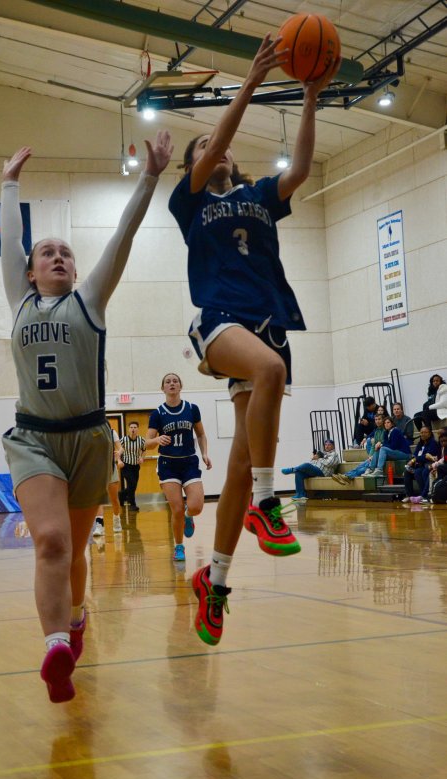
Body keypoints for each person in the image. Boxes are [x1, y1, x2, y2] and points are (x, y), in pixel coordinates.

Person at [168, 32, 338, 645]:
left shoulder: (260, 196)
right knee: (269, 373)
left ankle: (213, 586)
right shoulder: (188, 205)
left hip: (267, 323)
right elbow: (214, 142)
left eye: (225, 152)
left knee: (240, 461)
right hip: (218, 320)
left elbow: (300, 169)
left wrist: (311, 96)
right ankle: (269, 506)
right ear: (199, 162)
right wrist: (253, 79)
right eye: (207, 150)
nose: (221, 153)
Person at [0, 132, 173, 702]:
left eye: (65, 252)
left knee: (74, 552)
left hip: (89, 438)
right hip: (35, 439)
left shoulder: (89, 300)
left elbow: (122, 236)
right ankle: (55, 647)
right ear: (30, 272)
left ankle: (75, 620)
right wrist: (8, 185)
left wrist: (149, 176)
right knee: (49, 541)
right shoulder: (19, 301)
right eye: (46, 253)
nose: (57, 256)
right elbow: (9, 243)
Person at [145, 372, 212, 562]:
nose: (172, 384)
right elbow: (147, 442)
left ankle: (188, 516)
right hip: (168, 464)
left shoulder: (192, 408)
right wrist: (157, 439)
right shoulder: (158, 413)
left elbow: (200, 435)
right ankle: (179, 546)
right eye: (168, 381)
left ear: (180, 386)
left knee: (196, 506)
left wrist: (205, 453)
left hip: (189, 461)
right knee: (176, 509)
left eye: (175, 381)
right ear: (163, 388)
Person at [333, 413, 385, 484]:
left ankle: (347, 476)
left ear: (383, 420)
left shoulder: (385, 430)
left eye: (379, 419)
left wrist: (373, 455)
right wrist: (370, 455)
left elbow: (383, 443)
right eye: (376, 419)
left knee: (365, 467)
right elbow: (373, 445)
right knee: (361, 465)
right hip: (375, 455)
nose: (377, 421)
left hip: (381, 455)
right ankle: (345, 476)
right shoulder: (376, 431)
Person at [92, 427, 123, 536]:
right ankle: (99, 524)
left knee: (114, 499)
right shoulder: (89, 431)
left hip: (110, 468)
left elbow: (120, 448)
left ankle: (116, 518)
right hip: (96, 468)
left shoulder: (111, 432)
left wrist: (118, 453)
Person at [402, 425, 441, 504]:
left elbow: (426, 457)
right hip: (419, 465)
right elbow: (416, 455)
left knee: (419, 472)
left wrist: (416, 459)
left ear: (430, 434)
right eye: (421, 432)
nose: (423, 434)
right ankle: (409, 495)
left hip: (427, 464)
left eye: (425, 432)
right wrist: (413, 460)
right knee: (407, 472)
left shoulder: (433, 443)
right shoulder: (420, 443)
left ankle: (424, 495)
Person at [118, 422, 146, 511]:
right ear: (129, 429)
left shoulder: (141, 440)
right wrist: (119, 461)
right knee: (132, 484)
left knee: (133, 486)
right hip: (126, 465)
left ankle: (122, 494)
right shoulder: (123, 440)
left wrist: (142, 458)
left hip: (136, 466)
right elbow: (118, 452)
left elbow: (144, 450)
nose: (133, 429)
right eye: (131, 427)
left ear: (137, 429)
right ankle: (132, 504)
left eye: (135, 427)